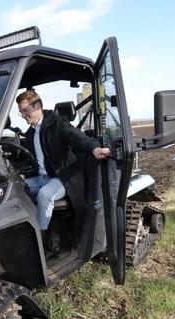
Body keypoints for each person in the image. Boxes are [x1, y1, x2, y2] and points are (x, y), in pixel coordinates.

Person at [16, 90, 111, 238]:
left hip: (61, 178)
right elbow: (33, 161)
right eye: (21, 112)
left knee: (44, 194)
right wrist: (22, 175)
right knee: (14, 188)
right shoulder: (30, 134)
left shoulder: (57, 123)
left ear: (38, 106)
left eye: (25, 110)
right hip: (40, 178)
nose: (23, 115)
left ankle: (40, 238)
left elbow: (75, 137)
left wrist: (94, 149)